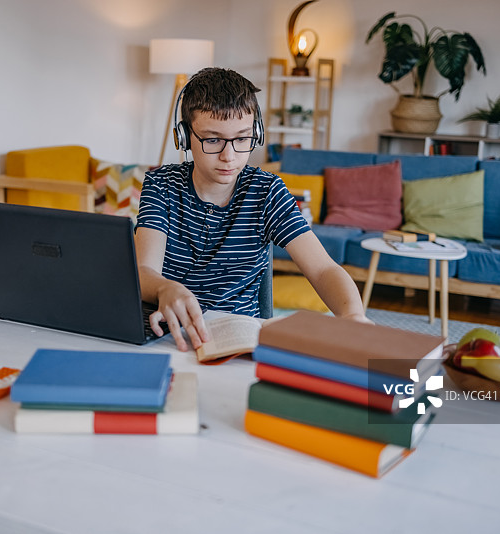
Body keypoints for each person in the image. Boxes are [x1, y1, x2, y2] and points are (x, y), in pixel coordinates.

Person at [135, 67, 369, 351]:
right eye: (213, 140)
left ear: (255, 134)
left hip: (233, 340)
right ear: (183, 137)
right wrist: (163, 288)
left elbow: (322, 270)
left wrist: (352, 315)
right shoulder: (162, 185)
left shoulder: (267, 191)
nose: (229, 156)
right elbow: (144, 269)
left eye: (242, 139)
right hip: (167, 333)